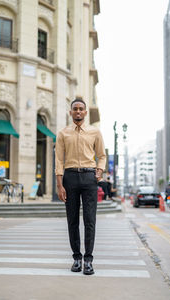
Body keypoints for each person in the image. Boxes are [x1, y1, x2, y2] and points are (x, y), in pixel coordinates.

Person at [55, 98, 106, 275]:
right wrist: (59, 184)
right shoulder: (62, 133)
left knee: (90, 221)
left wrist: (99, 170)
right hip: (69, 178)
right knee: (72, 220)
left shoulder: (95, 132)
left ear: (85, 113)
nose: (78, 111)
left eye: (81, 109)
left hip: (89, 177)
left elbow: (102, 155)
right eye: (75, 109)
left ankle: (89, 260)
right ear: (70, 113)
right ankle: (76, 258)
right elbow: (59, 160)